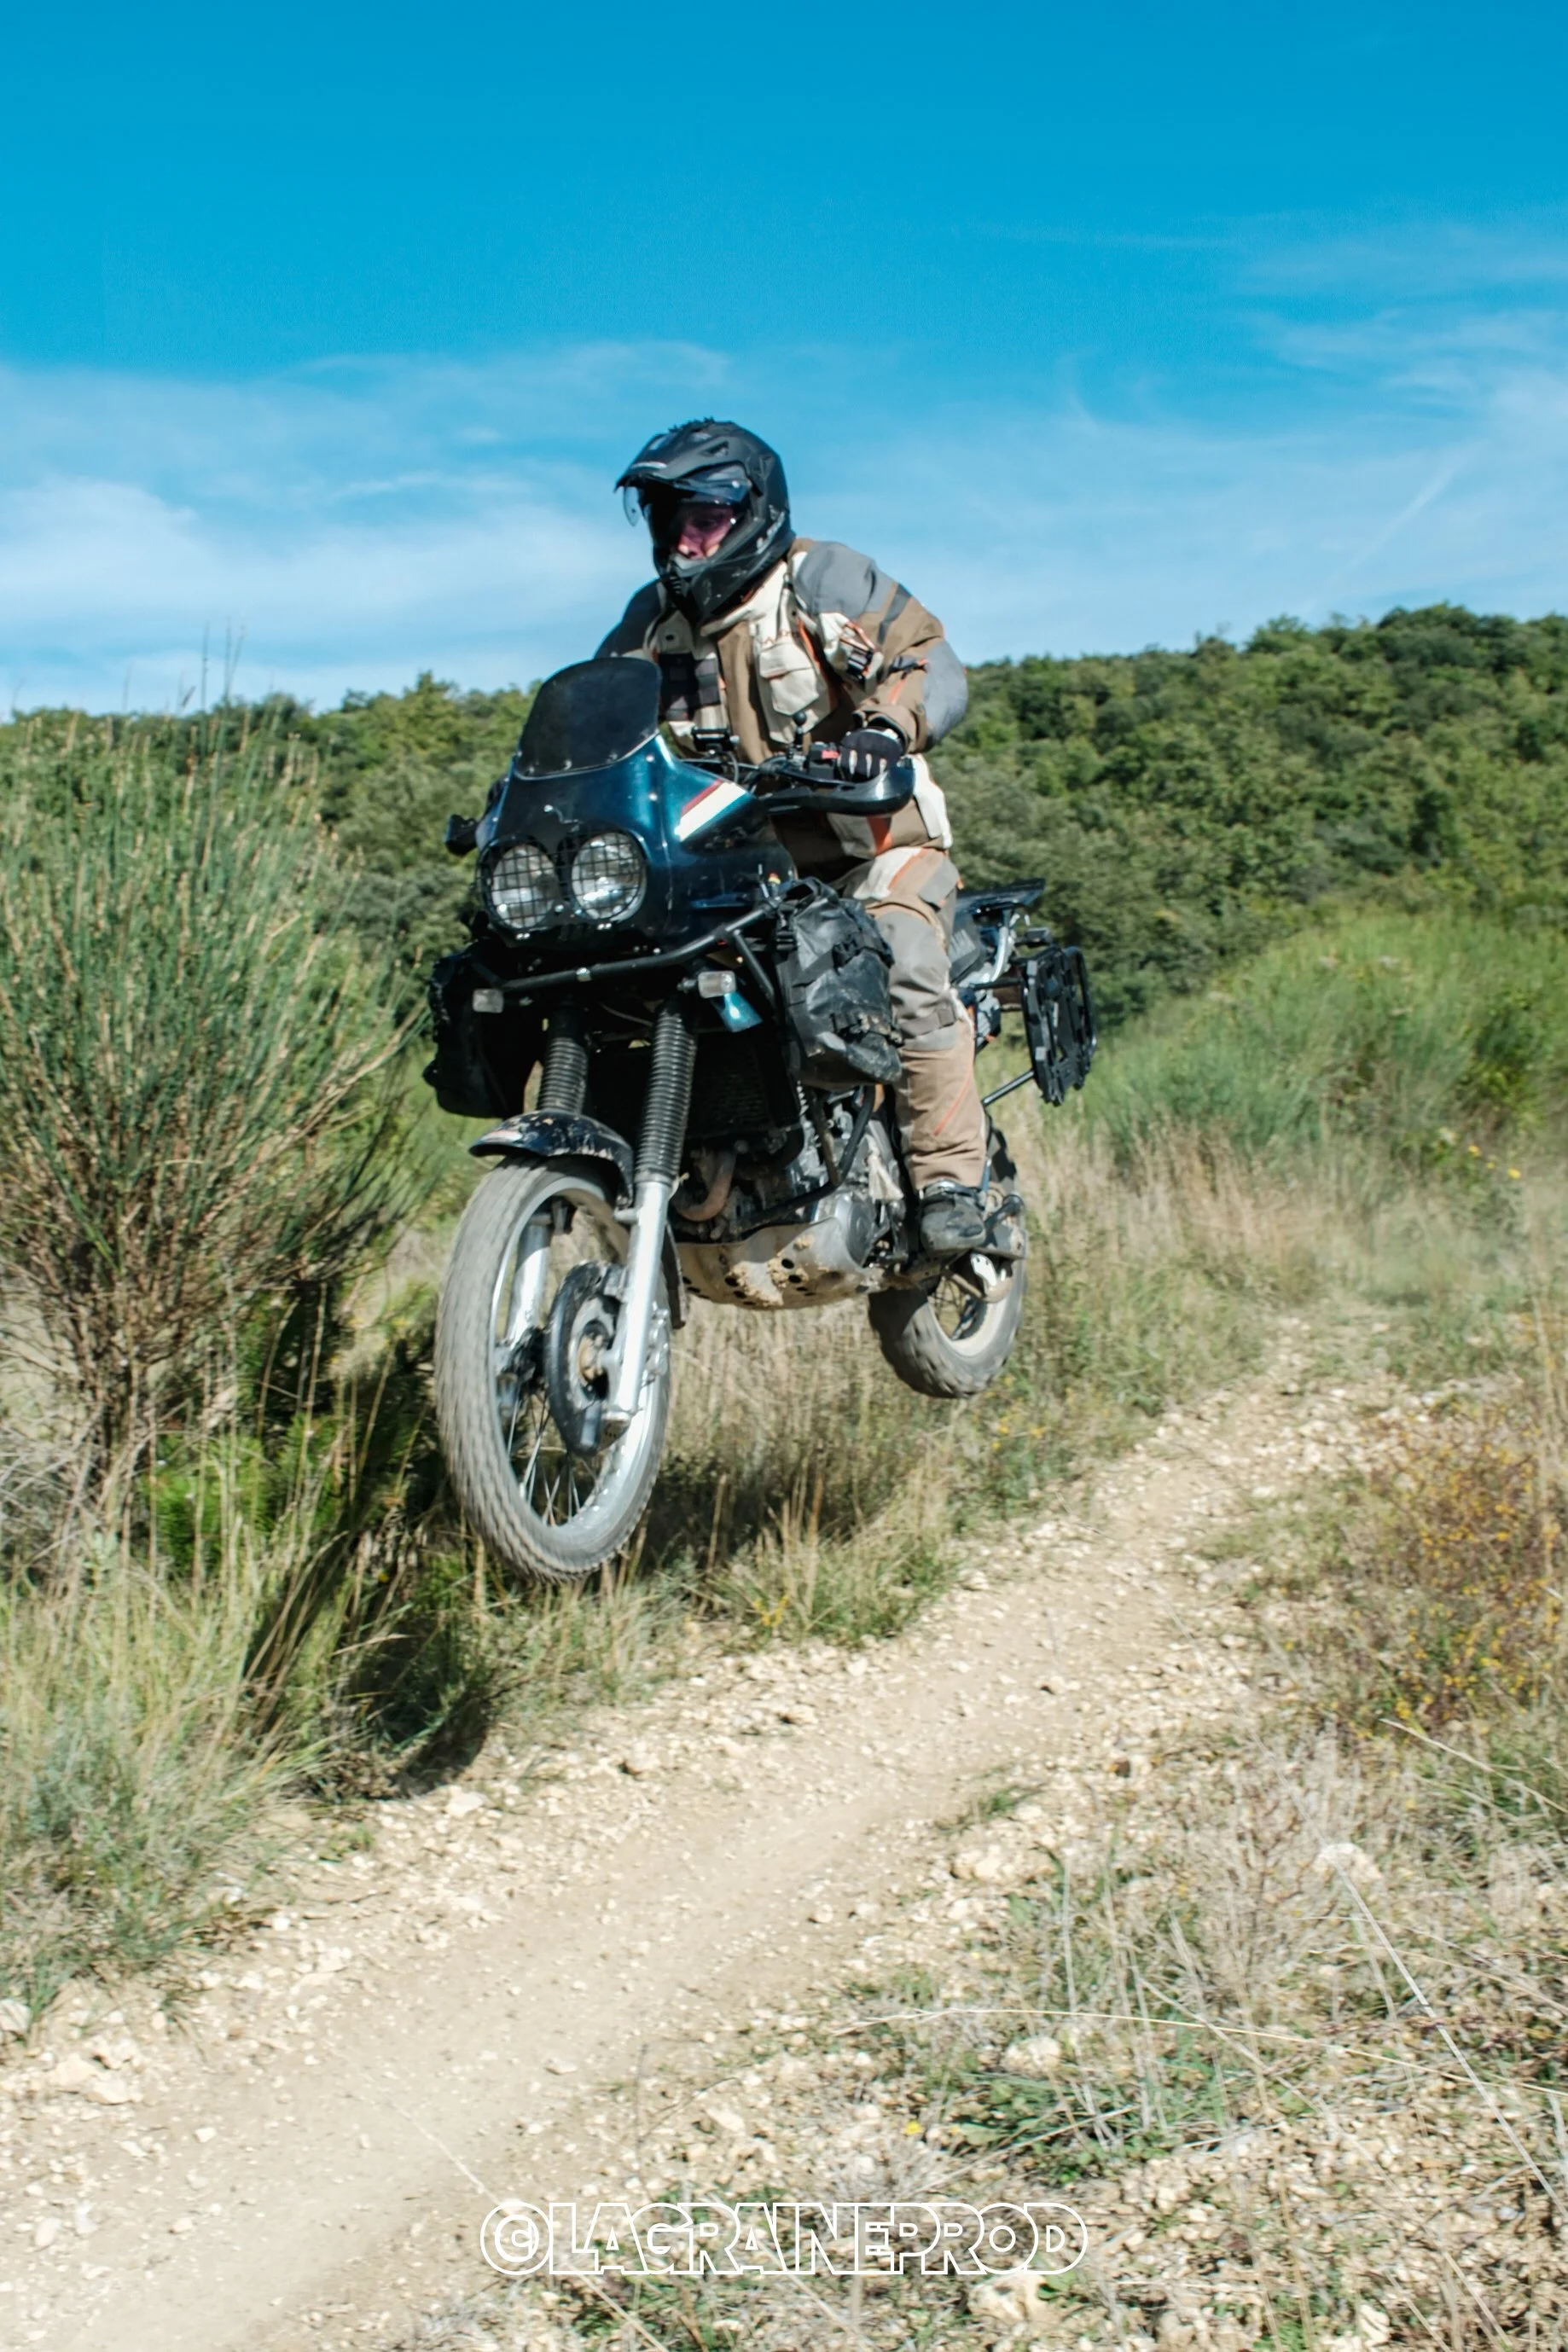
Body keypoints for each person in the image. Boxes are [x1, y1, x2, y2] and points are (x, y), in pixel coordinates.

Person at [599, 419, 990, 1257]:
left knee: (904, 954)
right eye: (671, 512)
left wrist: (885, 730)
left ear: (753, 507)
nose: (686, 529)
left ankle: (952, 1184)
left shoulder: (817, 579)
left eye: (707, 507)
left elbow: (930, 660)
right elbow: (597, 720)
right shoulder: (651, 620)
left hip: (870, 850)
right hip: (736, 875)